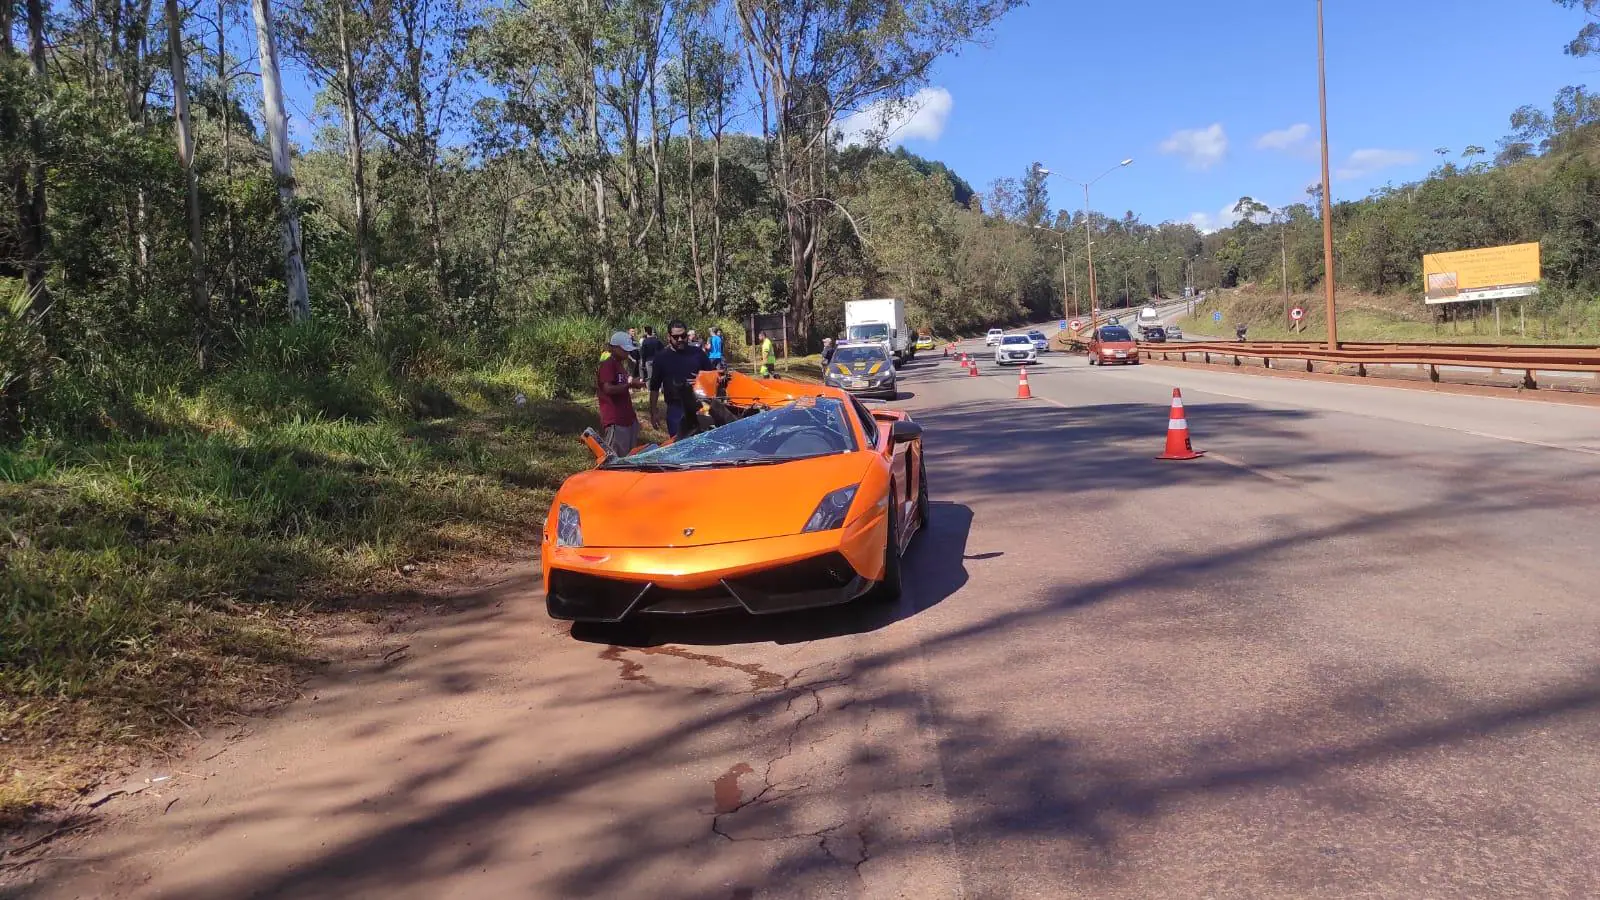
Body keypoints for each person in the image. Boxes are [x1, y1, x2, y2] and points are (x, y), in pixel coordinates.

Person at [649, 319, 707, 439]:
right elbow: (654, 387)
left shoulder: (698, 353)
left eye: (683, 336)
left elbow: (712, 375)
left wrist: (701, 381)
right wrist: (653, 411)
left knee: (703, 443)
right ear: (669, 337)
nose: (680, 339)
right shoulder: (661, 358)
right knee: (679, 446)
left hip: (700, 405)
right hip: (676, 408)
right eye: (676, 337)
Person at [597, 331, 643, 457]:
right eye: (624, 350)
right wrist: (629, 385)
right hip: (615, 419)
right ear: (615, 348)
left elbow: (623, 382)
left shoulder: (619, 365)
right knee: (615, 457)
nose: (627, 353)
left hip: (627, 418)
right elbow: (608, 389)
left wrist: (633, 382)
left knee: (628, 456)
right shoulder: (608, 365)